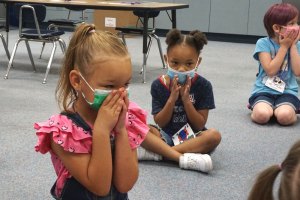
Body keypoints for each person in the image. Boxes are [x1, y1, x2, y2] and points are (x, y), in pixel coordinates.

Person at [34, 24, 150, 200]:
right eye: (110, 86)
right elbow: (100, 187)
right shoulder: (63, 131)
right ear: (77, 81)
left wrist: (121, 131)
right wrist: (102, 131)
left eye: (125, 85)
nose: (119, 93)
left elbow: (125, 184)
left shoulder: (127, 119)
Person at [137, 29, 221, 173]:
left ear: (198, 62)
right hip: (164, 135)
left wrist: (186, 100)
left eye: (189, 64)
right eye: (175, 63)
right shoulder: (158, 85)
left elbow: (200, 124)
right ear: (166, 59)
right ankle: (180, 156)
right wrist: (172, 99)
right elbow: (160, 122)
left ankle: (163, 154)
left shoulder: (204, 85)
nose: (181, 69)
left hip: (192, 137)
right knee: (138, 128)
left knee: (214, 136)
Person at [248, 3, 300, 125]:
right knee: (262, 116)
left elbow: (298, 72)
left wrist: (292, 45)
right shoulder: (263, 43)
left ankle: (287, 110)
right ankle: (257, 107)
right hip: (263, 90)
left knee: (284, 117)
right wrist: (284, 47)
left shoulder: (297, 45)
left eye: (297, 23)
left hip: (287, 92)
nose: (297, 27)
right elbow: (271, 71)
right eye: (292, 23)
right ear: (277, 28)